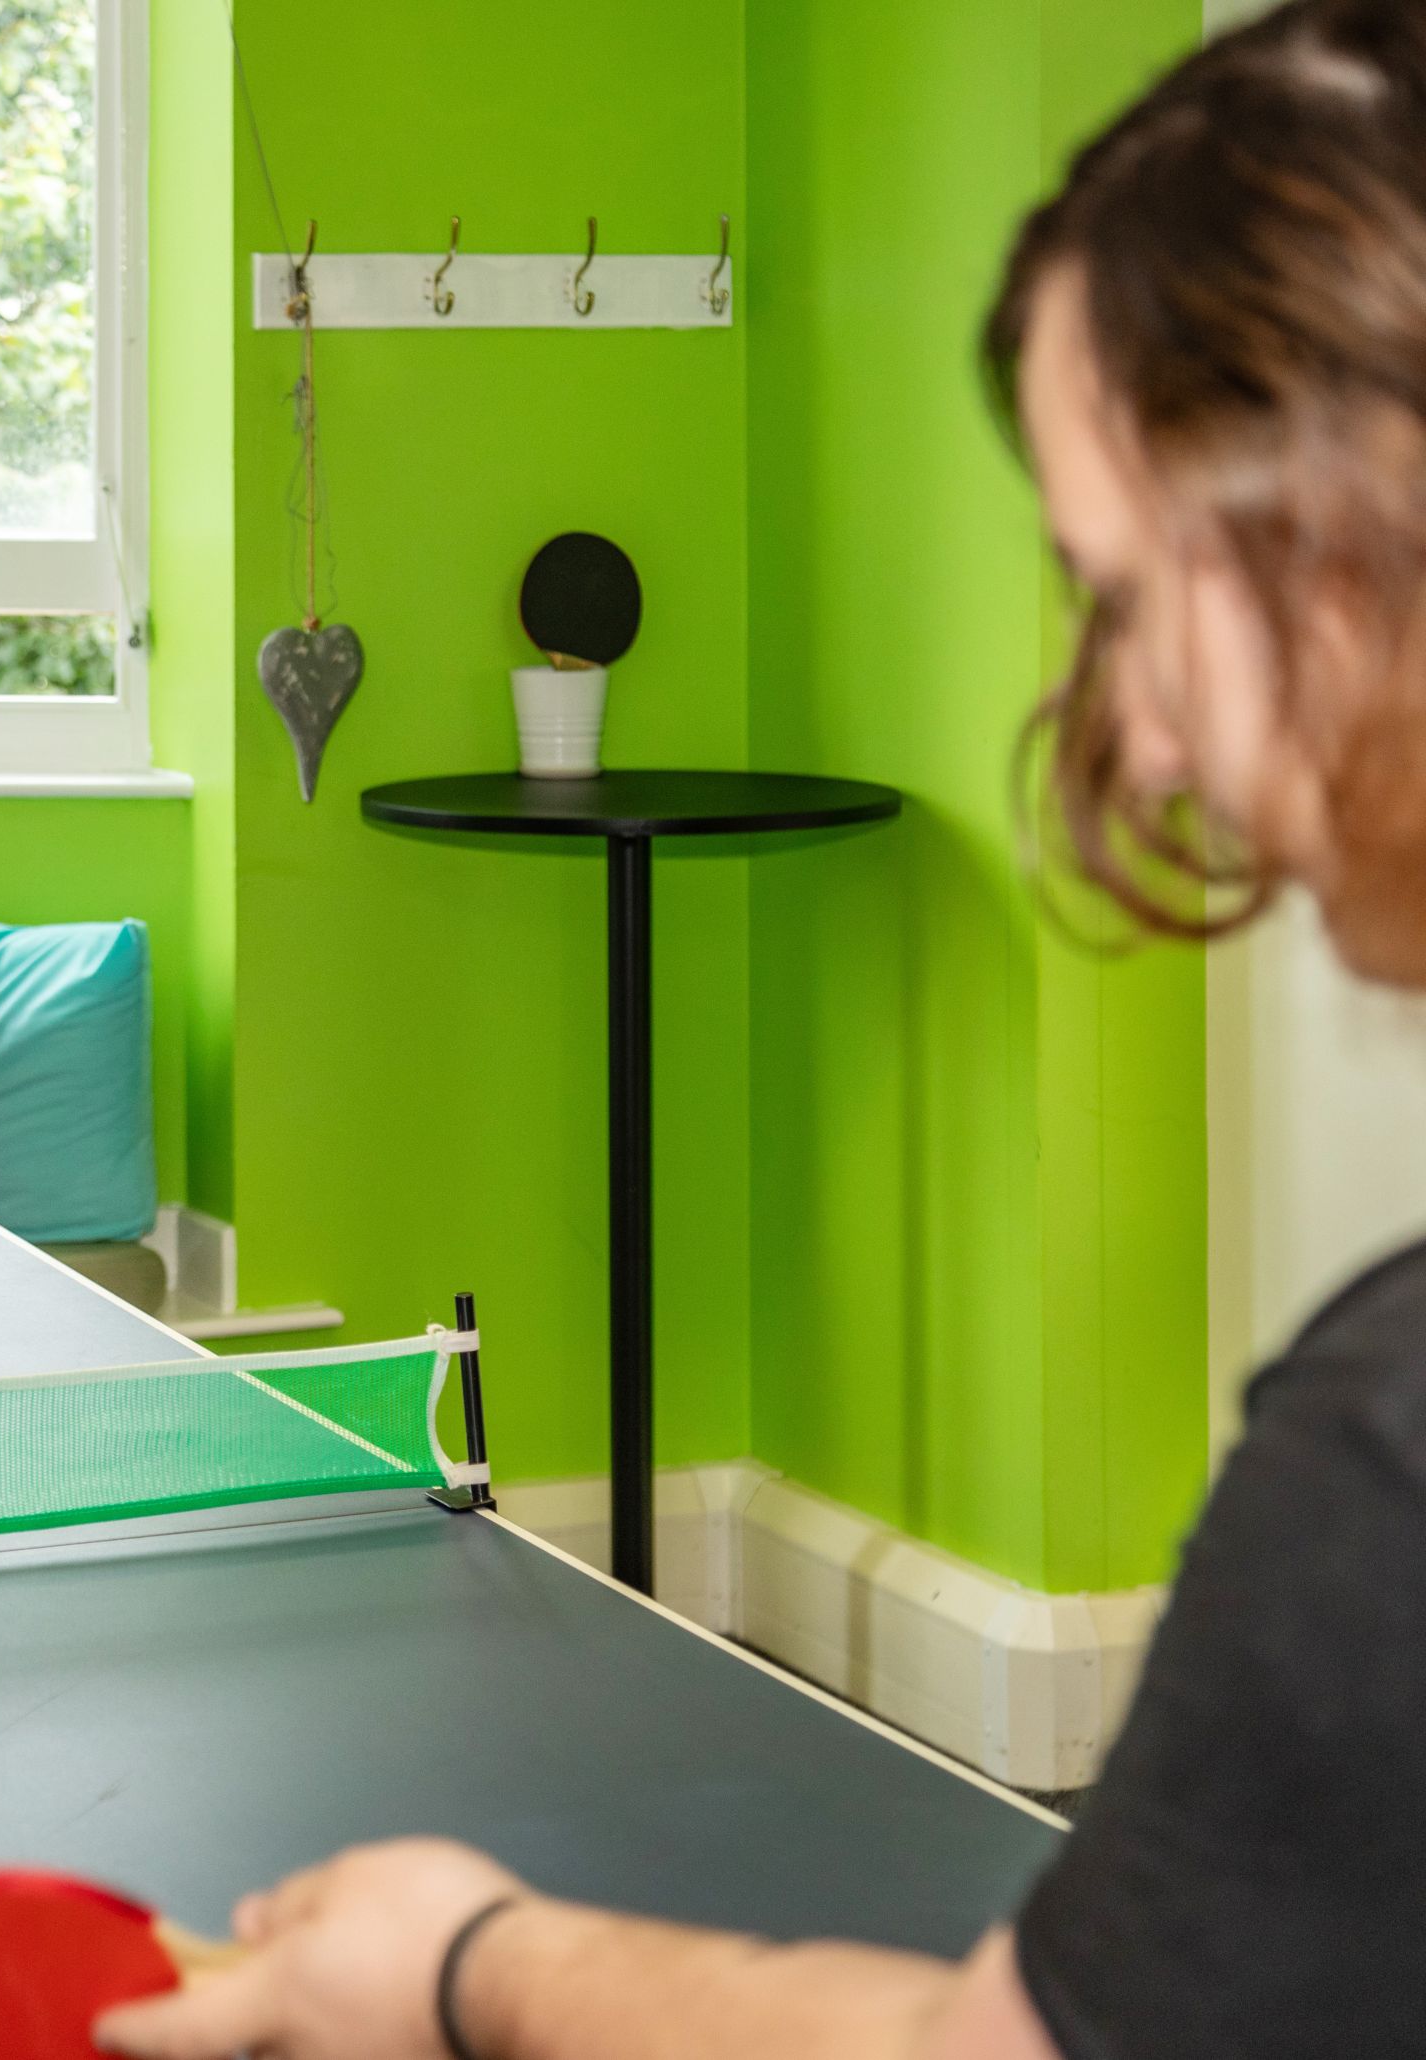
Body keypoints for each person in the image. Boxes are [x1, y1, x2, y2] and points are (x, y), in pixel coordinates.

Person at [96, 3, 1426, 2056]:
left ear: (1339, 551)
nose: (1125, 728)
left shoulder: (1380, 1461)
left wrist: (458, 1964)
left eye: (1126, 585)